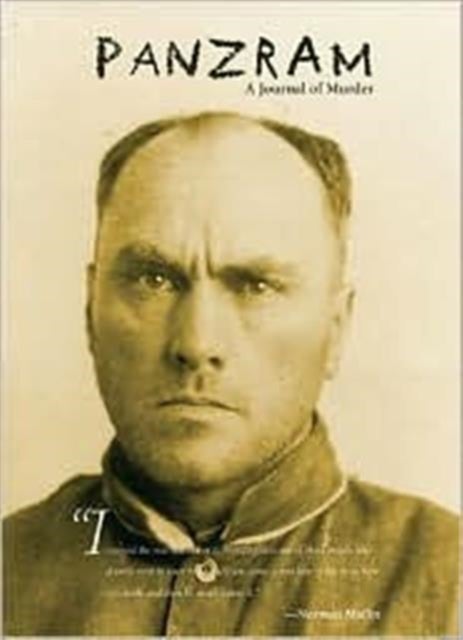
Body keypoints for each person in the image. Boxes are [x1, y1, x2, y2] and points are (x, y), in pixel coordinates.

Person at [4, 112, 458, 636]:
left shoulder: (449, 581)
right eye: (153, 280)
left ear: (336, 329)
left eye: (255, 286)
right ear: (90, 312)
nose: (196, 344)